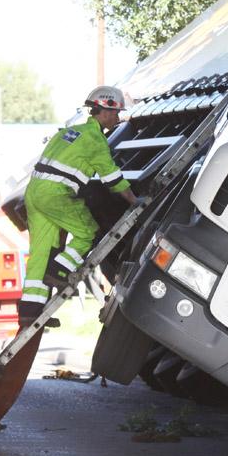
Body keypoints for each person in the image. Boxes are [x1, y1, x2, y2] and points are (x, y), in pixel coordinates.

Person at [19, 86, 139, 328]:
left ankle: (29, 311)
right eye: (116, 112)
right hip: (55, 194)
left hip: (34, 193)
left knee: (41, 252)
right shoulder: (95, 139)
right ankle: (60, 270)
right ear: (103, 111)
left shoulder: (68, 132)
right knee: (88, 230)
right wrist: (135, 202)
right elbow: (113, 179)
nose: (118, 118)